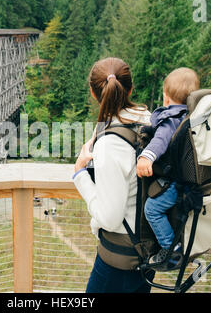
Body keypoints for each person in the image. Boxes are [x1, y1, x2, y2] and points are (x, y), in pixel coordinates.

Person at [72, 57, 155, 293]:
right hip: (147, 249)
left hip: (120, 259)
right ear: (130, 88)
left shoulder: (110, 144)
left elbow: (110, 218)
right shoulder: (147, 119)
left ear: (92, 92)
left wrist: (80, 175)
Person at [136, 68, 200, 268]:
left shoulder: (170, 120)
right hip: (192, 182)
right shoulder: (192, 117)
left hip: (176, 184)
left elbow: (160, 140)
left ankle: (170, 248)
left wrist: (146, 156)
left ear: (166, 99)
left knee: (152, 209)